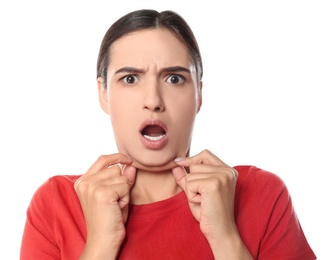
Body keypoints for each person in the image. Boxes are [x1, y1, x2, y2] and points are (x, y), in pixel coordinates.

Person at [20, 9, 316, 260]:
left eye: (174, 78)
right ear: (103, 94)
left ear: (199, 93)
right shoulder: (56, 204)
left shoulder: (262, 194)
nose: (153, 99)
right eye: (130, 78)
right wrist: (99, 246)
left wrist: (226, 238)